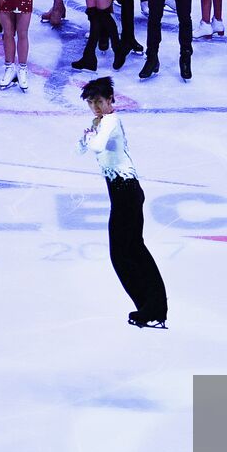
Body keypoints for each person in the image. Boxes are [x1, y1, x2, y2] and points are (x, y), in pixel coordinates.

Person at [77, 76, 168, 329]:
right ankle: (152, 308)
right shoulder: (101, 122)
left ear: (110, 100)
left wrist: (90, 135)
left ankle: (153, 308)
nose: (95, 106)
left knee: (125, 253)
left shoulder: (111, 121)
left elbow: (94, 146)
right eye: (91, 102)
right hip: (122, 192)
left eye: (99, 101)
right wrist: (87, 135)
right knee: (131, 251)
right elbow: (79, 149)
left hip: (126, 192)